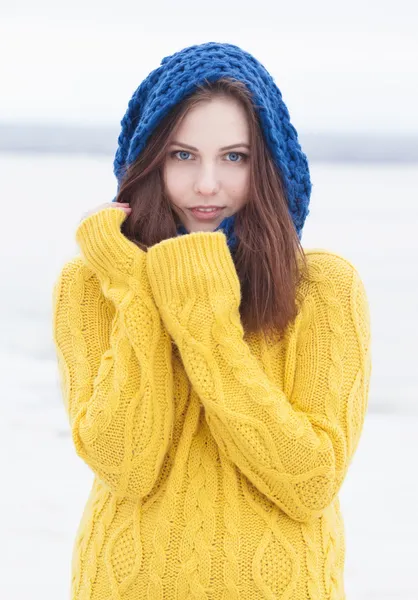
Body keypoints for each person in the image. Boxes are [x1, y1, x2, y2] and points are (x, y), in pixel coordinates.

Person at [52, 41, 372, 600]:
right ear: (147, 161)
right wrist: (137, 292)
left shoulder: (322, 287)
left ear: (268, 163)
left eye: (234, 157)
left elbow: (309, 483)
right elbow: (125, 466)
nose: (206, 185)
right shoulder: (93, 284)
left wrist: (203, 317)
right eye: (182, 155)